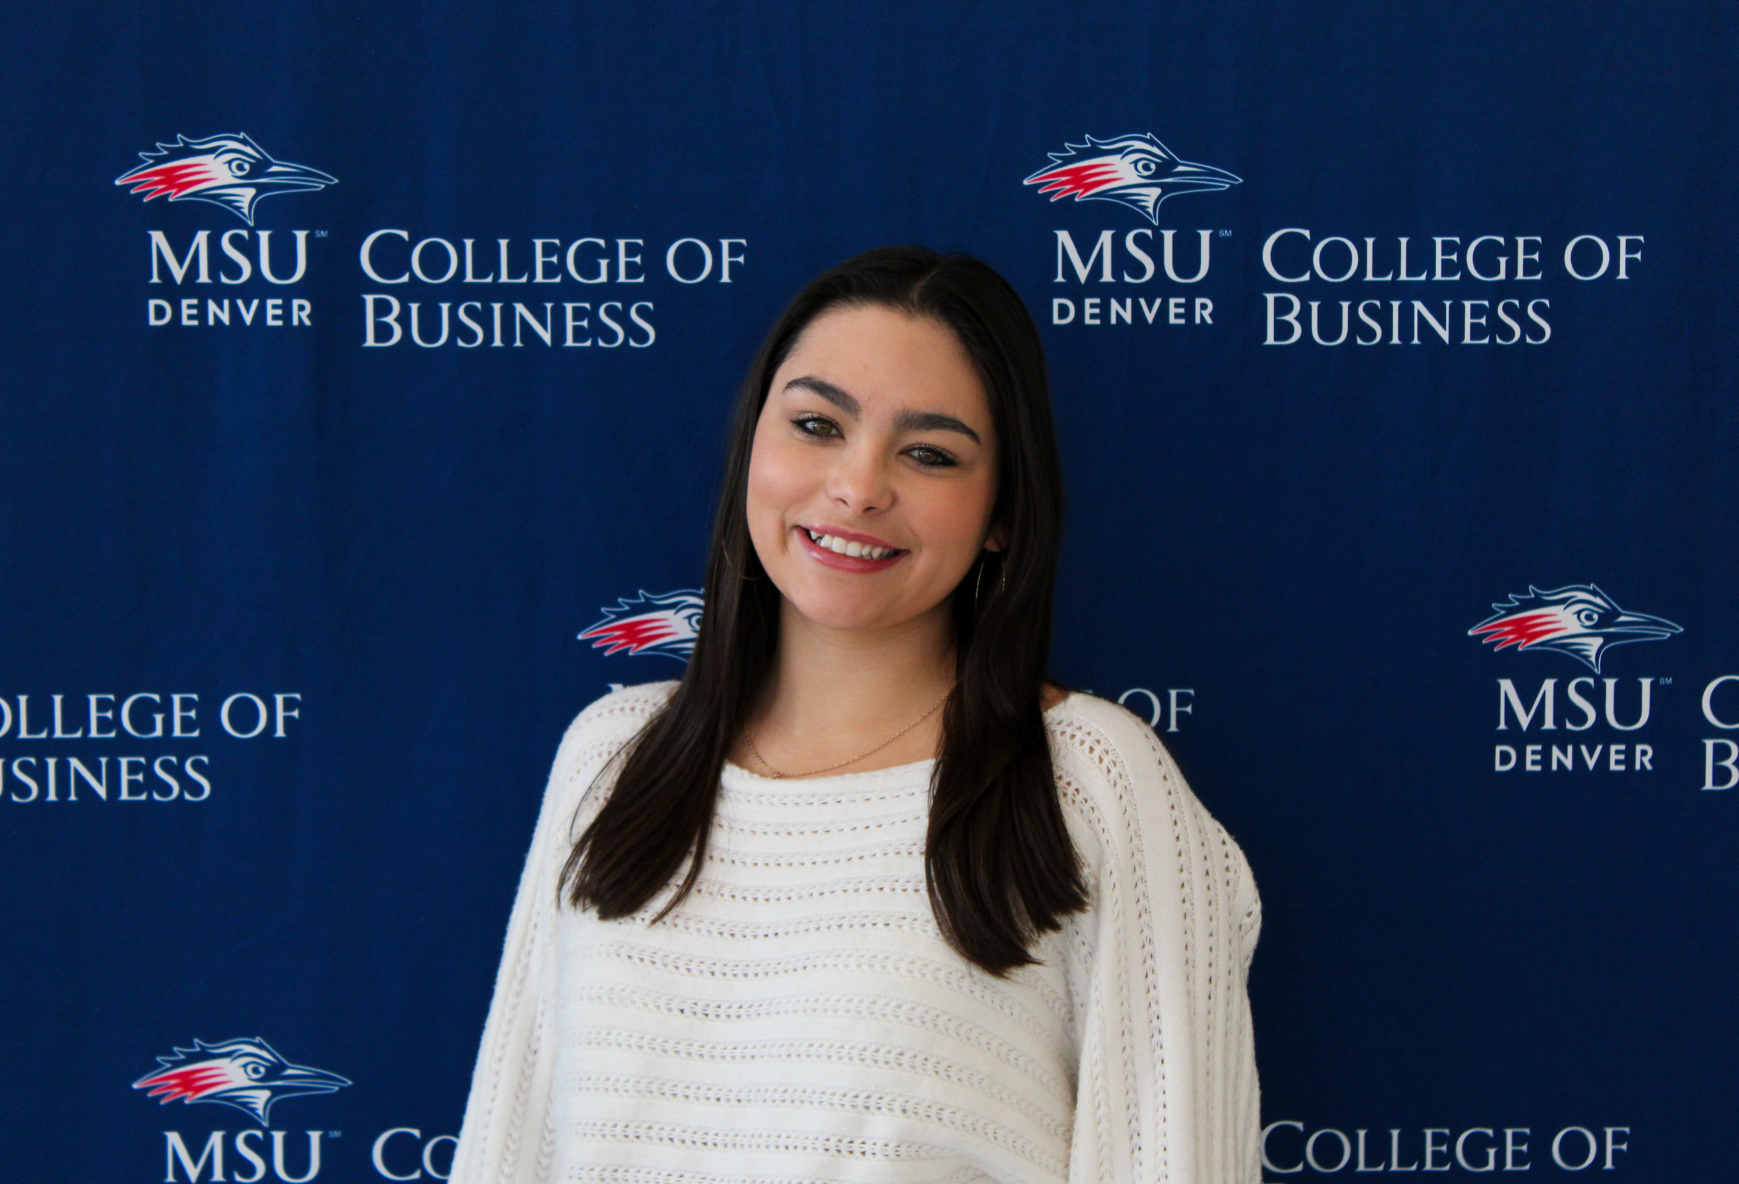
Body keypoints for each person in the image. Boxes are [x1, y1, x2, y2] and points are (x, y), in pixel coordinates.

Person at [448, 247, 1262, 1184]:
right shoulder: (613, 754)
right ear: (755, 446)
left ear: (1003, 510)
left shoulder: (1096, 782)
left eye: (929, 453)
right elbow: (510, 1147)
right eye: (815, 424)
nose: (860, 485)